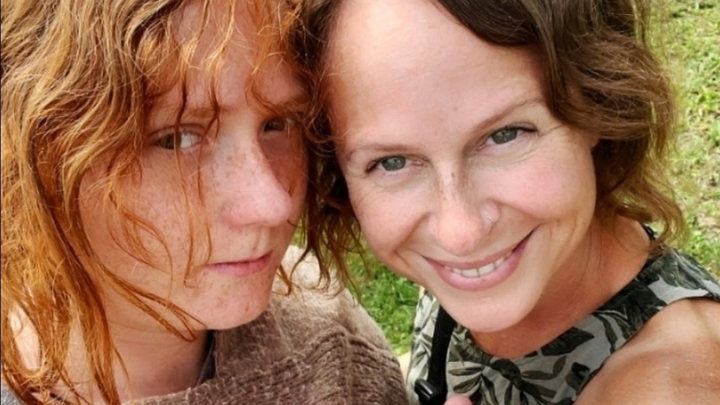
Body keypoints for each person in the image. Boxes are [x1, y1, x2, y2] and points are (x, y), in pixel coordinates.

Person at [288, 0, 720, 404]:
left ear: (595, 102)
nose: (460, 234)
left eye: (505, 135)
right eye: (392, 162)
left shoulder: (671, 387)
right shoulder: (507, 271)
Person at [0, 1, 409, 404]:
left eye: (278, 124)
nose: (273, 205)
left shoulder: (334, 348)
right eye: (177, 138)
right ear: (36, 151)